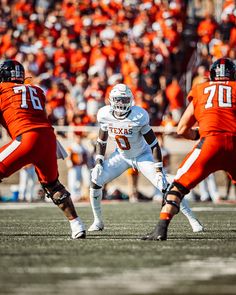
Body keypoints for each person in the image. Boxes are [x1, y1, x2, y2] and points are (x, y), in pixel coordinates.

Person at [142, 57, 236, 241]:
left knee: (177, 187)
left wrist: (200, 134)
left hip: (209, 143)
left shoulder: (201, 89)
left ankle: (161, 228)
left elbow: (182, 129)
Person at [88, 83, 203, 232]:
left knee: (164, 186)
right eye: (118, 99)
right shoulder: (105, 114)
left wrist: (159, 170)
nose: (121, 103)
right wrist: (98, 162)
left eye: (124, 99)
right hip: (121, 156)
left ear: (130, 100)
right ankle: (97, 221)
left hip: (142, 156)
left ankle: (192, 219)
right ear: (111, 100)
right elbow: (101, 141)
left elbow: (154, 144)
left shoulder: (138, 115)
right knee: (95, 179)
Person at [0, 59, 86, 239]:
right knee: (53, 185)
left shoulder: (2, 90)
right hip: (48, 138)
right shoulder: (37, 90)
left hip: (28, 138)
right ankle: (77, 225)